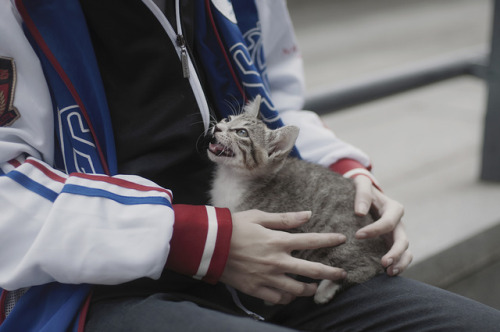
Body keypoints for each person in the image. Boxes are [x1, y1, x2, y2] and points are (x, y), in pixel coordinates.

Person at [0, 0, 499, 331]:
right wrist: (198, 240)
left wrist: (349, 178)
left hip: (283, 258)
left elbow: (278, 100)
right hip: (100, 290)